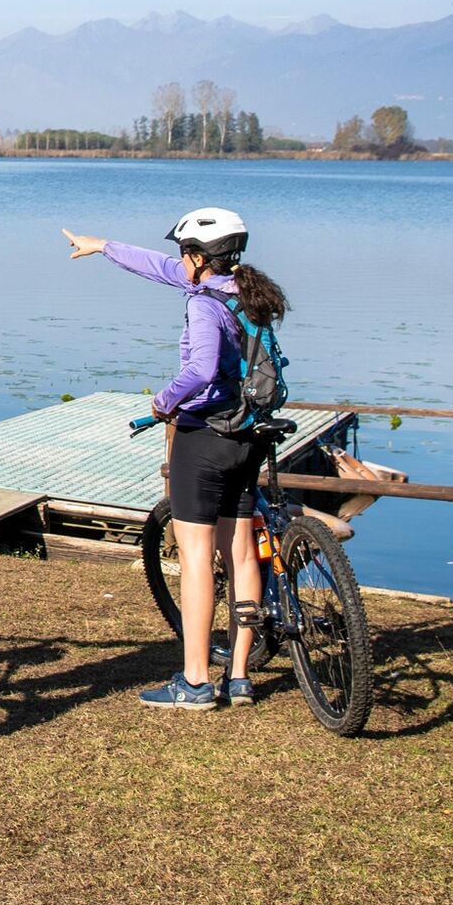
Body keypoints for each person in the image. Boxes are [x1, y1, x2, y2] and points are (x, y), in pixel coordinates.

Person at [62, 209, 291, 710]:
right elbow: (160, 268)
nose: (177, 261)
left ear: (198, 257)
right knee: (242, 555)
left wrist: (163, 402)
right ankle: (239, 676)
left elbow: (201, 368)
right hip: (246, 435)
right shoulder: (245, 292)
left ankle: (195, 681)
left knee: (196, 559)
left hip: (204, 438)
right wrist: (104, 246)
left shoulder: (206, 305)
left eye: (183, 253)